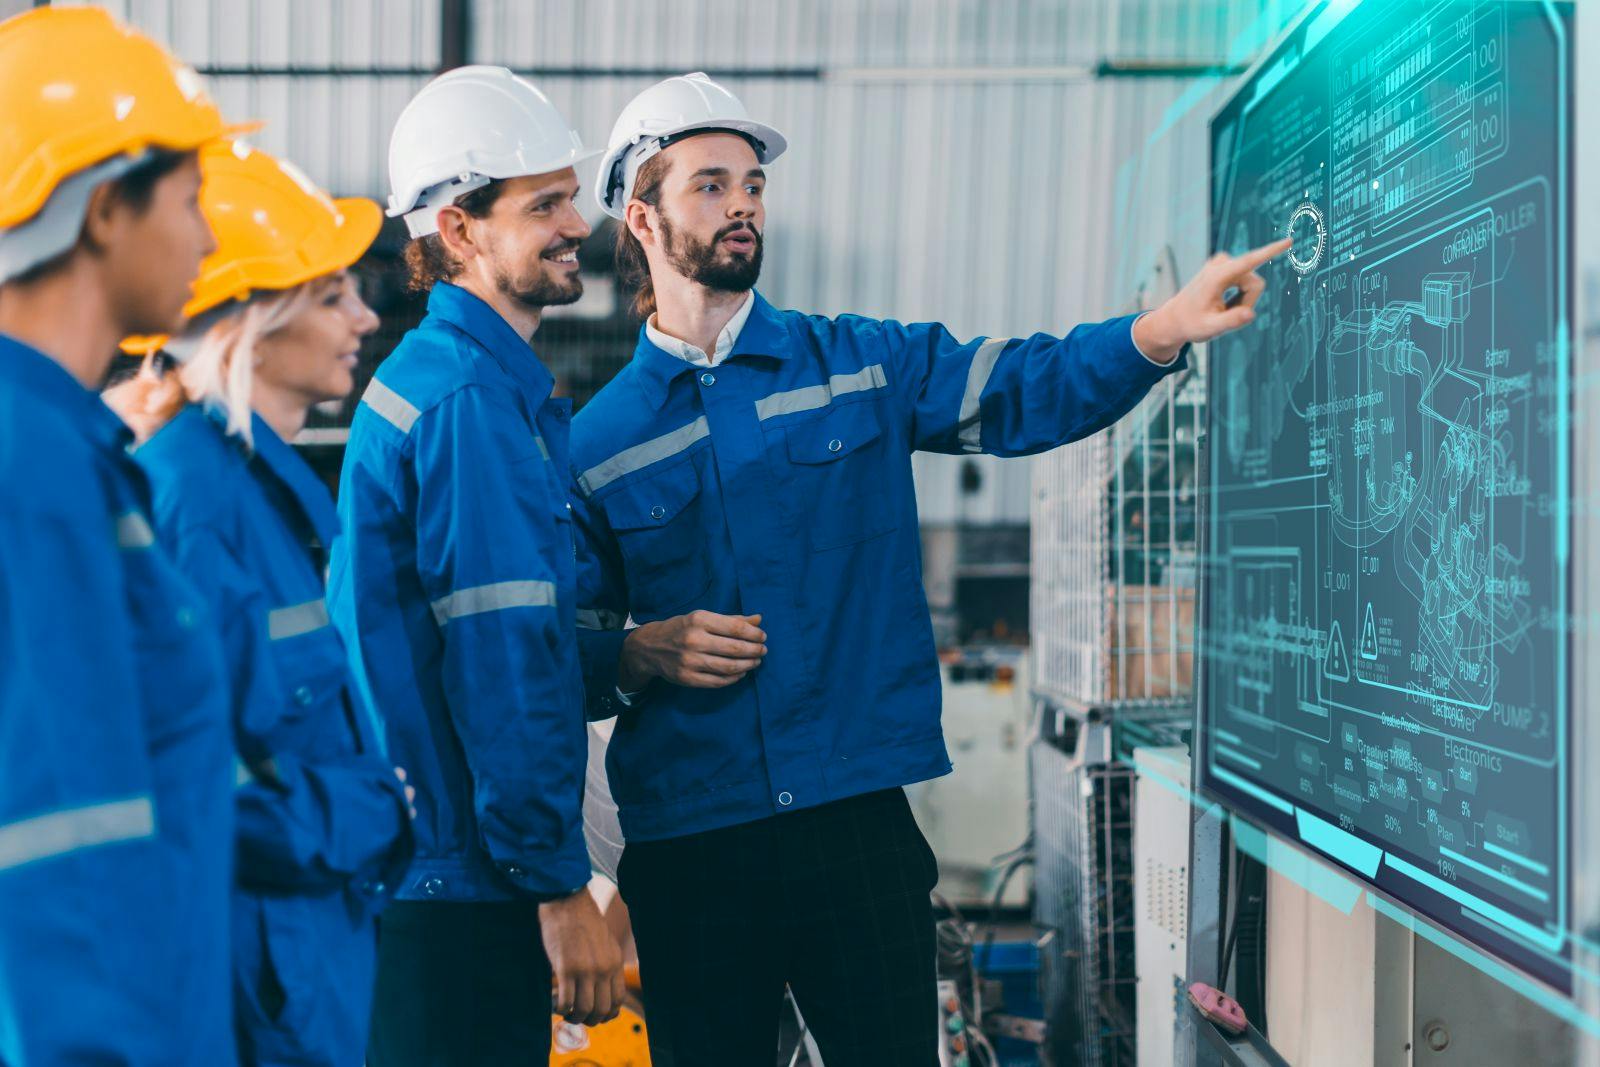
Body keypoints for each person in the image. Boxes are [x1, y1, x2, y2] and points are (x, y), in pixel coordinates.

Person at [572, 71, 1290, 1065]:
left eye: (751, 184)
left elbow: (1024, 386)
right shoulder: (594, 444)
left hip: (853, 825)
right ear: (642, 216)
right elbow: (555, 649)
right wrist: (636, 649)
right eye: (710, 184)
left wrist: (1157, 333)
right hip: (693, 848)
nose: (742, 204)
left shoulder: (859, 365)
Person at [328, 66, 625, 1066]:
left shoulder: (458, 380)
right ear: (457, 230)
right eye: (543, 204)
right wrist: (557, 881)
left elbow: (491, 634)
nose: (577, 222)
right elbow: (498, 658)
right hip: (467, 878)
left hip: (438, 863)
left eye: (570, 196)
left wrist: (634, 655)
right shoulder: (469, 404)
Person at [124, 139, 416, 1067]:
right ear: (250, 317)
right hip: (257, 964)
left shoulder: (262, 488)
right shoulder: (194, 499)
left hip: (305, 940)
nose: (365, 316)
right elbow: (185, 768)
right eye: (332, 295)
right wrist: (371, 811)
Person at [0, 7, 248, 1062]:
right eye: (190, 201)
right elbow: (62, 845)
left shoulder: (62, 443)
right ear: (105, 211)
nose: (209, 237)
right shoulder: (35, 465)